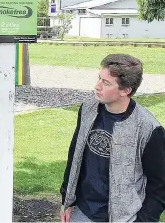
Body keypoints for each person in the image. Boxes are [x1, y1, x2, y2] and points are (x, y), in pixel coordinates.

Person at [60, 54, 165, 222]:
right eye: (99, 78)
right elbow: (75, 154)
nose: (97, 86)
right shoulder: (88, 109)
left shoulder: (149, 128)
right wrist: (67, 199)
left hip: (124, 218)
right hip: (82, 213)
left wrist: (144, 220)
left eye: (106, 83)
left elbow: (159, 185)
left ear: (125, 90)